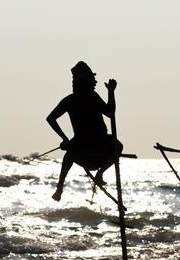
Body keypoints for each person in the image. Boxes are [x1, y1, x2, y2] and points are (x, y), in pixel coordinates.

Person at [46, 61, 123, 201]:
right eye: (92, 80)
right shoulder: (90, 97)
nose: (95, 83)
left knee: (69, 154)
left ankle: (60, 187)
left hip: (90, 149)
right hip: (94, 149)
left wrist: (65, 140)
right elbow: (110, 113)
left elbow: (50, 119)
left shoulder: (71, 100)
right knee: (118, 146)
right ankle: (98, 174)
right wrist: (111, 92)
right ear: (85, 82)